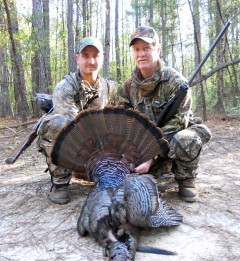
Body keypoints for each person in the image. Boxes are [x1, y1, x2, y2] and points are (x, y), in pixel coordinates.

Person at [119, 26, 212, 202]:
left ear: (158, 49)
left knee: (185, 138)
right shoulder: (127, 87)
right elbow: (122, 123)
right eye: (137, 49)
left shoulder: (176, 82)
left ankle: (186, 179)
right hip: (144, 145)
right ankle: (157, 169)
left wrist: (150, 154)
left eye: (147, 48)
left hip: (170, 141)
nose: (141, 54)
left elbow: (179, 122)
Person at [37, 37, 117, 204]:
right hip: (75, 150)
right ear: (77, 58)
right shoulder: (65, 88)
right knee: (57, 124)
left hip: (102, 148)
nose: (91, 61)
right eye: (86, 56)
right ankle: (60, 182)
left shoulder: (110, 88)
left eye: (96, 56)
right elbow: (73, 128)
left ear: (102, 58)